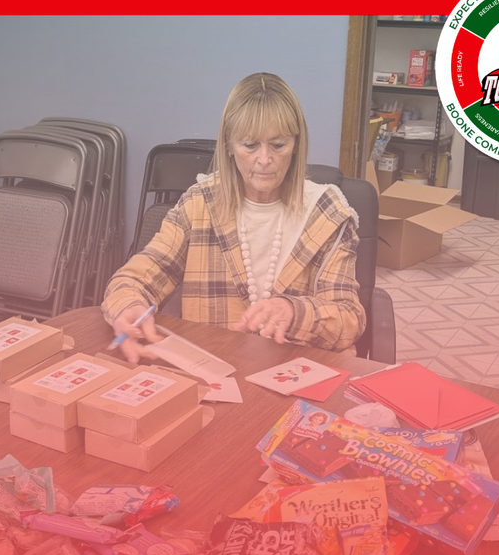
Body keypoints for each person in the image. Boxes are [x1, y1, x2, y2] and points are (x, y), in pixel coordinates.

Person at [102, 72, 365, 362]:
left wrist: (294, 312)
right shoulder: (199, 204)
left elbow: (348, 318)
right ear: (228, 144)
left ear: (297, 144)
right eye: (249, 145)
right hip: (212, 368)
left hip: (290, 375)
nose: (264, 160)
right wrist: (128, 305)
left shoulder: (327, 214)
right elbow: (136, 277)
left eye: (278, 145)